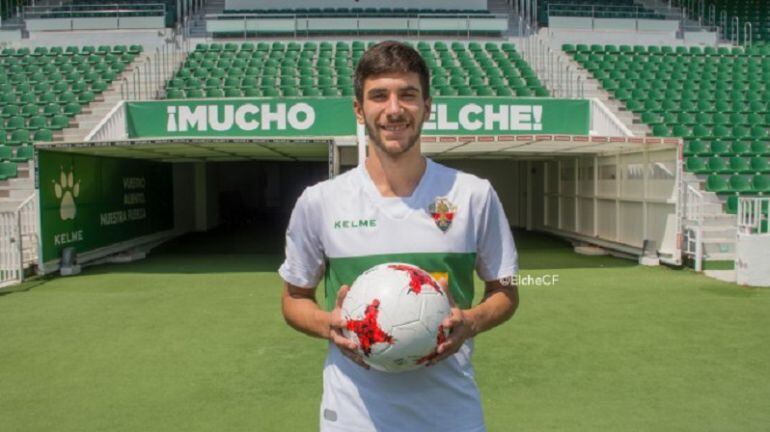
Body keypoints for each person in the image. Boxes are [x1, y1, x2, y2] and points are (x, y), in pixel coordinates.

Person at [279, 40, 519, 431]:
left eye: (408, 95)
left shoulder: (473, 194)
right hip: (353, 417)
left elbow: (505, 291)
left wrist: (471, 321)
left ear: (427, 106)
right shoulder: (320, 202)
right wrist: (330, 325)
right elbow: (293, 299)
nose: (394, 109)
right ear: (359, 110)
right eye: (379, 96)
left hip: (450, 415)